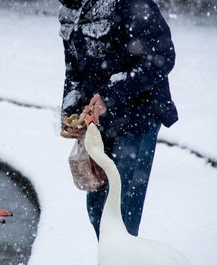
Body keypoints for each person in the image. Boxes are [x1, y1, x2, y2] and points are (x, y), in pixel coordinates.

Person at [58, 0, 178, 238]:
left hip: (138, 117)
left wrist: (109, 96)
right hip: (100, 122)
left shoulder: (130, 3)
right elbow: (73, 70)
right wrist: (70, 109)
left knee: (121, 212)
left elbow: (162, 57)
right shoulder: (69, 8)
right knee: (96, 208)